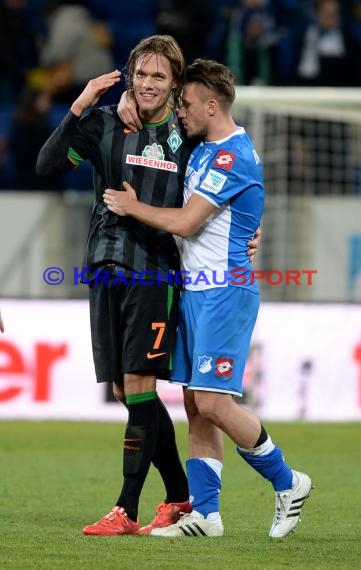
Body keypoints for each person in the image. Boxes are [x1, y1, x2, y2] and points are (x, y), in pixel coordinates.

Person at [36, 34, 260, 537]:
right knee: (126, 391)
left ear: (175, 84)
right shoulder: (104, 123)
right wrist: (78, 106)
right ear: (129, 75)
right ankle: (180, 496)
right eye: (141, 74)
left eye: (160, 76)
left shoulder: (192, 140)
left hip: (156, 272)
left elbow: (230, 188)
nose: (149, 84)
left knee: (139, 386)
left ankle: (126, 508)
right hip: (102, 266)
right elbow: (47, 167)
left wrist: (251, 228)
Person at [104, 58, 312, 539]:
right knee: (195, 404)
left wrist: (132, 206)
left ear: (212, 105)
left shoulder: (231, 156)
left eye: (189, 104)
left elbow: (185, 222)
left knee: (215, 403)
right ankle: (207, 514)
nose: (181, 111)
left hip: (225, 290)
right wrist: (125, 100)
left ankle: (288, 482)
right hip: (194, 291)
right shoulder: (201, 150)